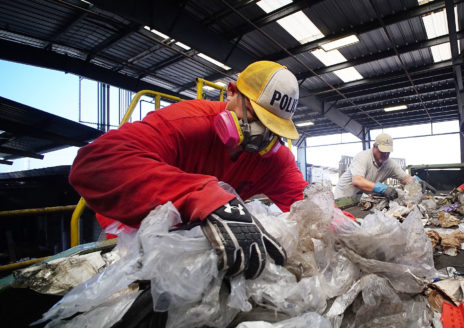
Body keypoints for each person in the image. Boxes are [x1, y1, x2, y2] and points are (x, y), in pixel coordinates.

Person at [69, 60, 308, 280]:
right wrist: (202, 198)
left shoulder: (272, 162)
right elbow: (94, 163)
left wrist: (344, 231)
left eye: (271, 128)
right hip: (132, 242)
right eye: (255, 118)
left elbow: (311, 207)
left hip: (201, 250)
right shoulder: (186, 124)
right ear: (232, 92)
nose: (259, 137)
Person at [333, 133, 434, 200]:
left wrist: (417, 181)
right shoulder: (362, 157)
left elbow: (404, 178)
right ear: (374, 147)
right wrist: (383, 188)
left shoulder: (390, 164)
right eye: (382, 151)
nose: (385, 154)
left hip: (361, 199)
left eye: (388, 152)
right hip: (343, 198)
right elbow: (358, 181)